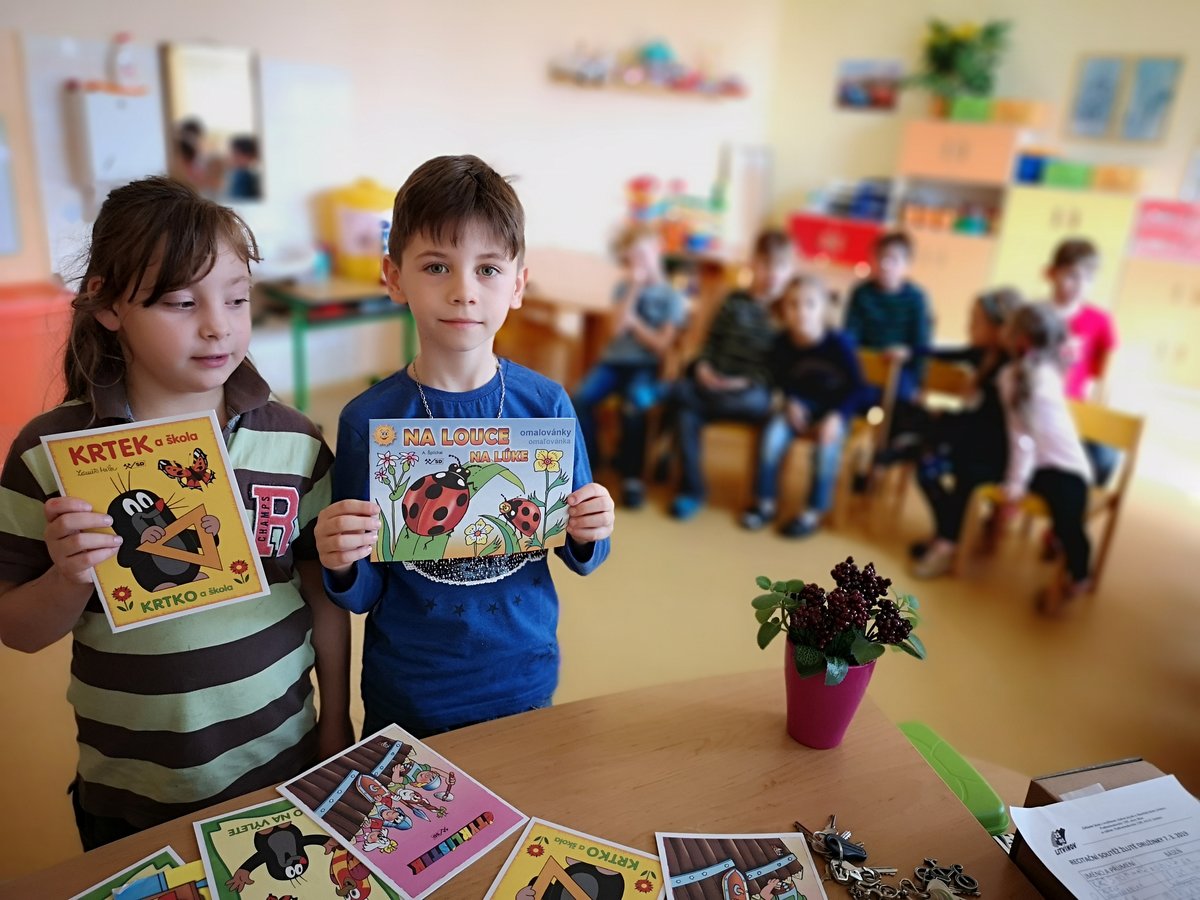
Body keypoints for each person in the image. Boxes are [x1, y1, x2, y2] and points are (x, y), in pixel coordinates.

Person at [0, 177, 352, 849]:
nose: (218, 325)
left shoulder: (295, 441)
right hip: (131, 785)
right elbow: (16, 630)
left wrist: (336, 722)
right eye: (182, 302)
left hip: (283, 759)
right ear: (108, 305)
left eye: (238, 298)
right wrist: (69, 578)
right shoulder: (48, 455)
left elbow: (321, 591)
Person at [314, 155, 614, 739]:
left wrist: (590, 529)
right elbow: (363, 591)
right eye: (436, 267)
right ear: (393, 277)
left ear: (518, 284)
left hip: (522, 678)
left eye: (488, 269)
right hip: (409, 687)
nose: (463, 292)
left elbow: (583, 554)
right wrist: (342, 561)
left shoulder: (547, 405)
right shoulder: (367, 421)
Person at [668, 229, 795, 520]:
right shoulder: (733, 301)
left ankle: (679, 393)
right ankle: (692, 491)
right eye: (766, 265)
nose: (772, 274)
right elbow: (711, 343)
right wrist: (703, 367)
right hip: (714, 383)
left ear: (790, 270)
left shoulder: (786, 313)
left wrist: (740, 382)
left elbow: (779, 368)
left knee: (687, 396)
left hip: (750, 394)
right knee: (685, 414)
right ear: (753, 264)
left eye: (780, 266)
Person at [910, 287, 1022, 578]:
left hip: (995, 455)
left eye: (976, 321)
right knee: (926, 465)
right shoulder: (983, 353)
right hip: (971, 441)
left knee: (963, 476)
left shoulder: (1010, 370)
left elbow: (994, 424)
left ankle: (947, 543)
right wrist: (911, 351)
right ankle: (948, 533)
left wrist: (952, 416)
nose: (969, 326)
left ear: (999, 328)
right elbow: (949, 353)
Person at [740, 274, 864, 537]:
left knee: (825, 452)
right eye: (793, 305)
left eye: (810, 304)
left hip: (833, 411)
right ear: (784, 310)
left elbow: (857, 388)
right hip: (797, 408)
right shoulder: (781, 343)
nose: (801, 312)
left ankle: (812, 513)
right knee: (771, 439)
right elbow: (778, 379)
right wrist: (788, 401)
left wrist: (837, 417)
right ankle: (765, 503)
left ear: (822, 309)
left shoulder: (839, 343)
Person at [572, 225, 686, 509]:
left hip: (645, 366)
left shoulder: (671, 297)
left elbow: (661, 344)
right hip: (613, 362)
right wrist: (634, 288)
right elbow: (615, 329)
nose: (640, 262)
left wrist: (635, 324)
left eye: (644, 254)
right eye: (633, 257)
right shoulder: (624, 288)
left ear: (657, 249)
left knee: (635, 403)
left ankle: (631, 475)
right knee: (579, 398)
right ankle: (593, 463)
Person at [997, 303, 1094, 608]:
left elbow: (1021, 438)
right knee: (1065, 518)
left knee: (1069, 524)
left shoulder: (1024, 376)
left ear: (1021, 339)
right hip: (1043, 467)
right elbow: (1023, 440)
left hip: (1066, 469)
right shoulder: (1033, 373)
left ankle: (1079, 575)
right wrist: (1016, 484)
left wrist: (1015, 484)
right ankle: (1067, 557)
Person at [1044, 238, 1118, 485]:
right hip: (1034, 407)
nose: (1080, 285)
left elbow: (1104, 379)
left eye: (1088, 278)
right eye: (1072, 276)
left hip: (1072, 410)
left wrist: (1097, 413)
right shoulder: (1034, 315)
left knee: (1105, 456)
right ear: (1051, 273)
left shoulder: (1100, 321)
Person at [843, 231, 932, 405]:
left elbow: (921, 344)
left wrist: (919, 383)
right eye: (881, 257)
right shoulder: (861, 293)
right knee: (856, 396)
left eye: (894, 260)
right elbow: (850, 334)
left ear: (907, 265)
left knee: (901, 399)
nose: (885, 265)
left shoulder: (917, 299)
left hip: (900, 369)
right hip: (865, 365)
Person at [226, 135, 263, 201]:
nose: (232, 157)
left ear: (247, 156)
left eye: (236, 154)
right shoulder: (237, 174)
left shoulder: (242, 177)